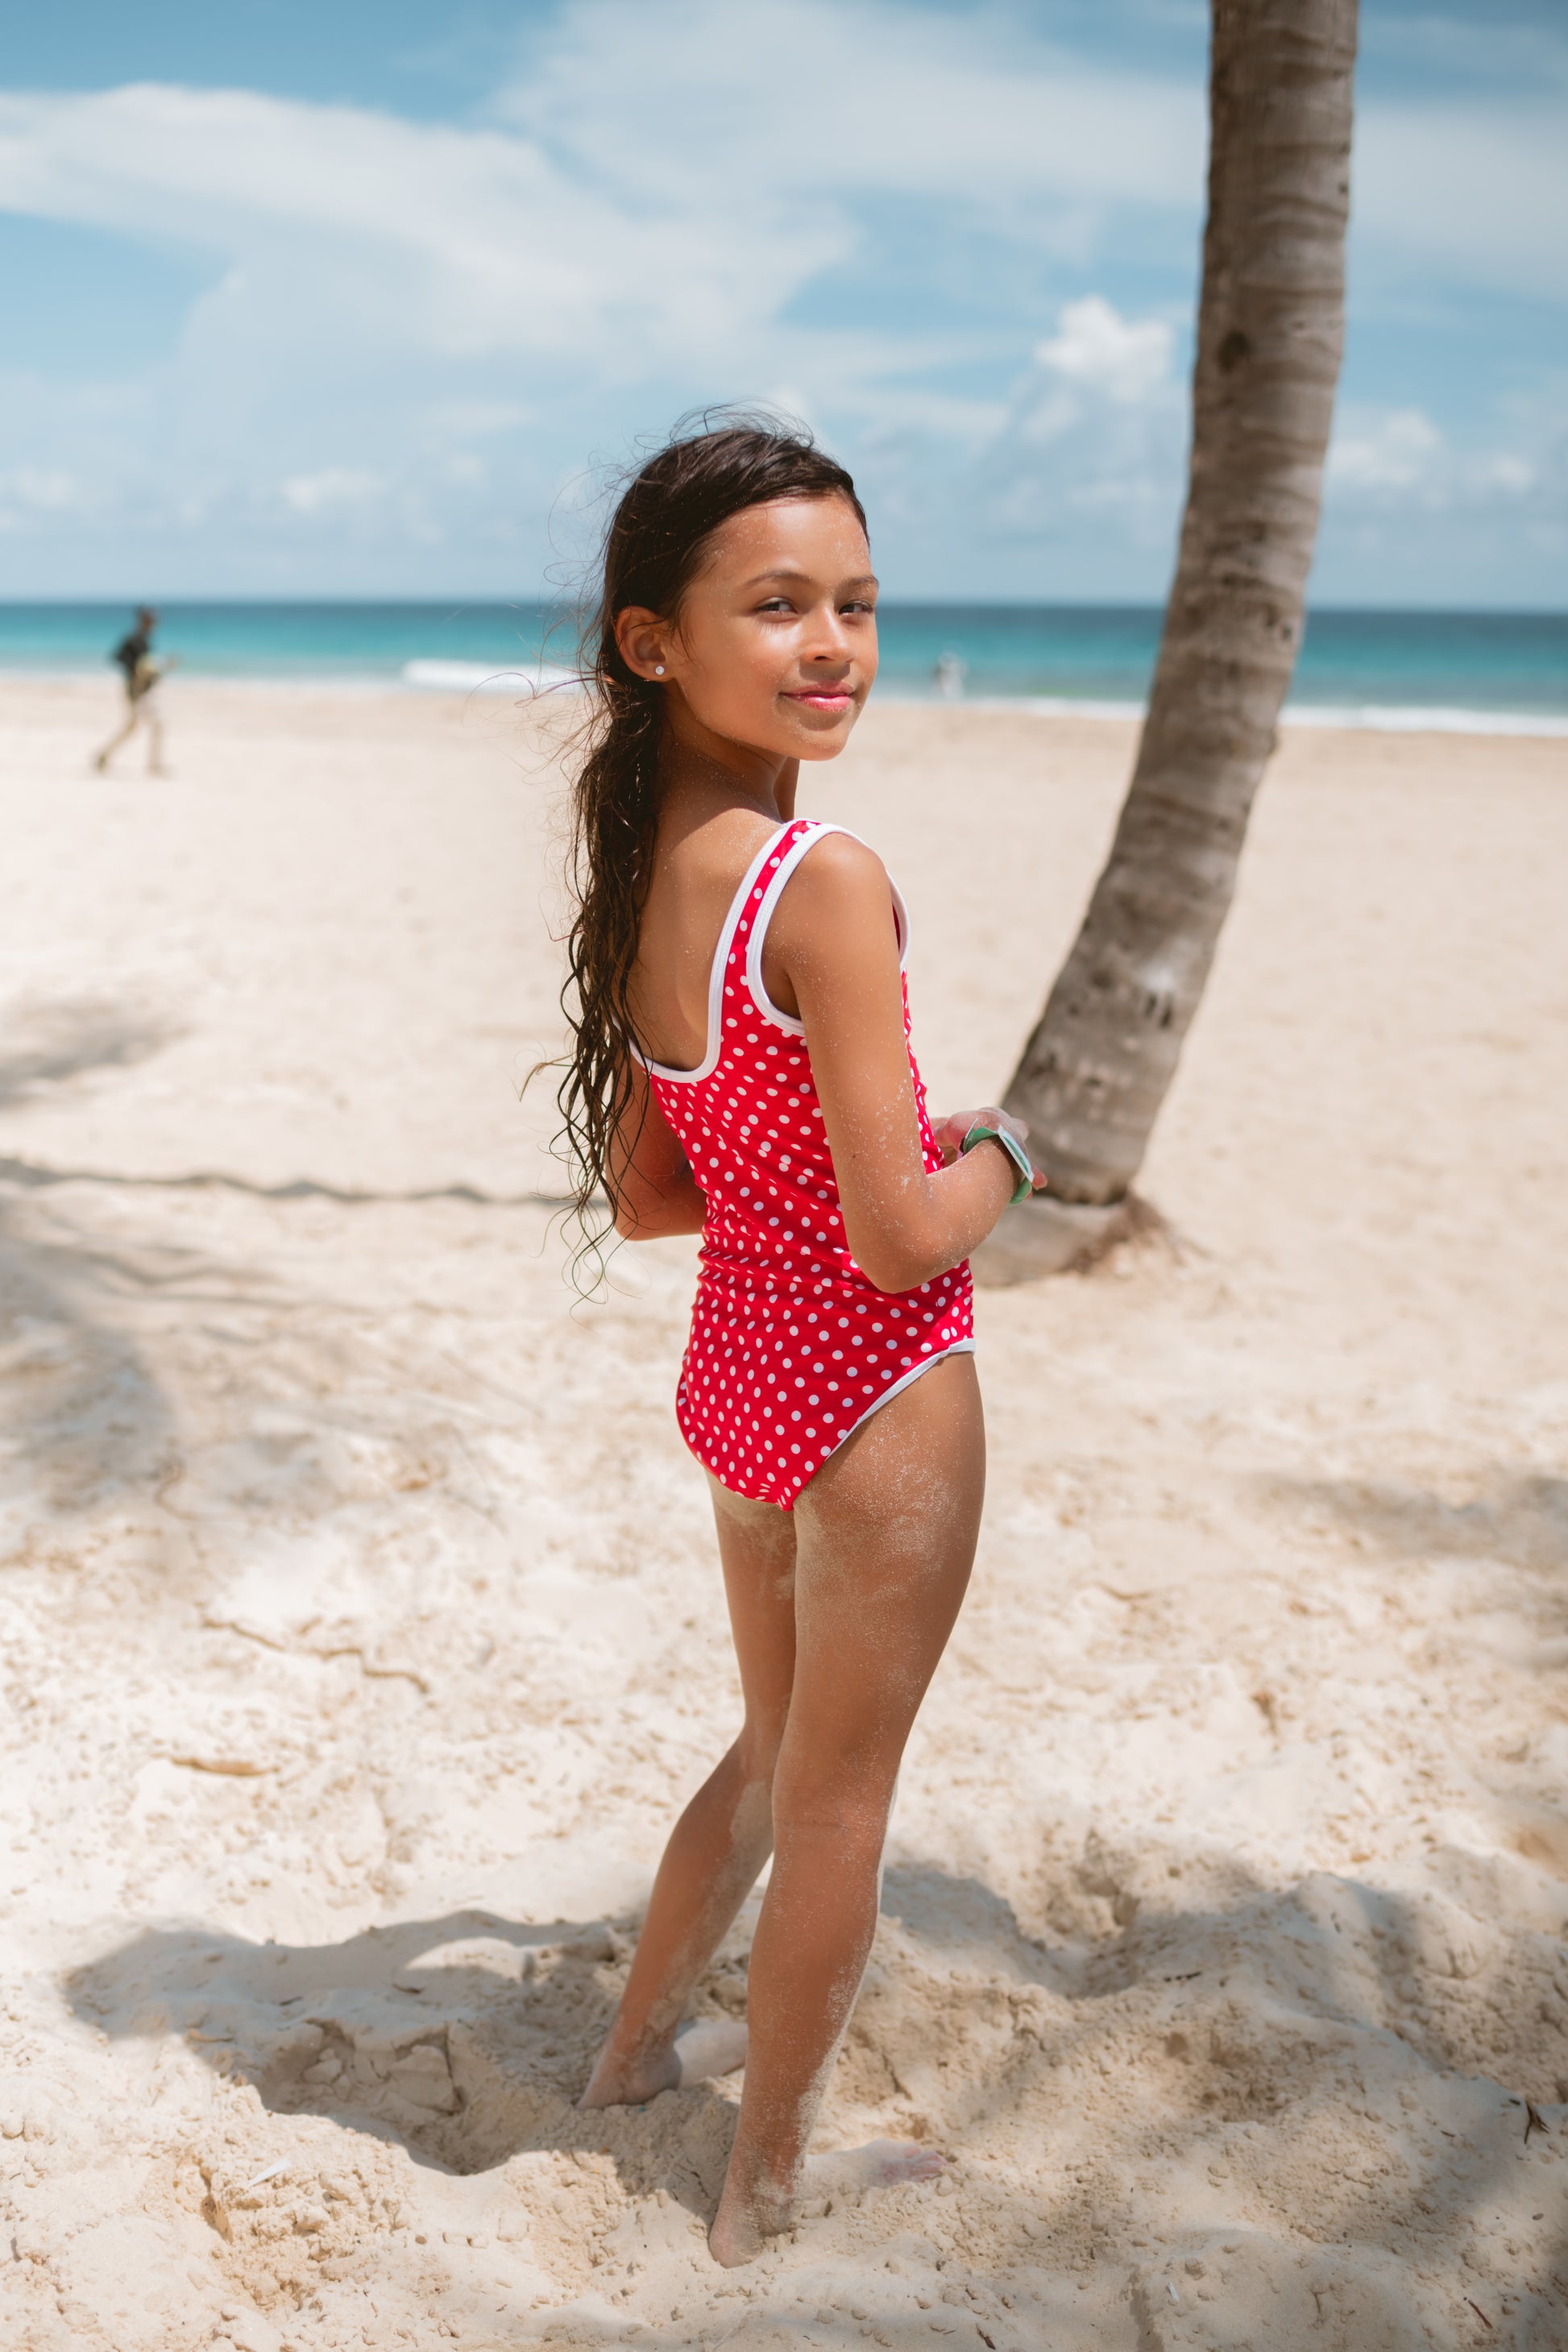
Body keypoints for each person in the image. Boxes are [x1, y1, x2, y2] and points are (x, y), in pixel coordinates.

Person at [555, 420, 1043, 2267]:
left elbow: (652, 1198)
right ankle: (761, 2195)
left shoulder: (654, 876)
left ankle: (625, 2066)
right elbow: (905, 1230)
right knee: (840, 1797)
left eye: (853, 601)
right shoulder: (819, 880)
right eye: (777, 605)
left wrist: (833, 1189)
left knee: (767, 1755)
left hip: (739, 1381)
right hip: (872, 1390)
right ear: (652, 640)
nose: (832, 641)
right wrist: (1005, 1153)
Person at [93, 607, 173, 775]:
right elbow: (118, 658)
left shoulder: (144, 639)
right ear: (143, 620)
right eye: (151, 619)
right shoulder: (134, 639)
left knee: (137, 727)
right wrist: (135, 669)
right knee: (151, 726)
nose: (153, 623)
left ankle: (104, 755)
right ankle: (153, 764)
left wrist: (158, 669)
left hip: (143, 691)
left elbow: (146, 667)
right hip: (136, 692)